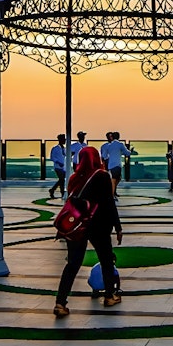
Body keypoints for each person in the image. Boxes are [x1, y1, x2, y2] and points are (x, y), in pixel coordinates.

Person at [53, 145, 123, 318]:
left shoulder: (74, 178)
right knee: (106, 261)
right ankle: (109, 296)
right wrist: (118, 227)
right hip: (99, 227)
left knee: (72, 265)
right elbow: (109, 203)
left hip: (77, 227)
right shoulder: (102, 176)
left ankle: (60, 303)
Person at [100, 131, 134, 200]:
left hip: (110, 165)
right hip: (117, 164)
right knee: (115, 179)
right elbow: (127, 153)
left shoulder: (108, 146)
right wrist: (131, 151)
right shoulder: (120, 144)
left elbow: (104, 156)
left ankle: (113, 193)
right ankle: (112, 195)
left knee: (116, 179)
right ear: (119, 137)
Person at [49, 134, 67, 199]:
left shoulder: (64, 148)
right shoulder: (55, 148)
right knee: (62, 180)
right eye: (63, 139)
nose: (65, 140)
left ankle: (53, 190)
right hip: (58, 167)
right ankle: (61, 193)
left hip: (64, 167)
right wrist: (58, 162)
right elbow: (52, 157)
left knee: (62, 180)